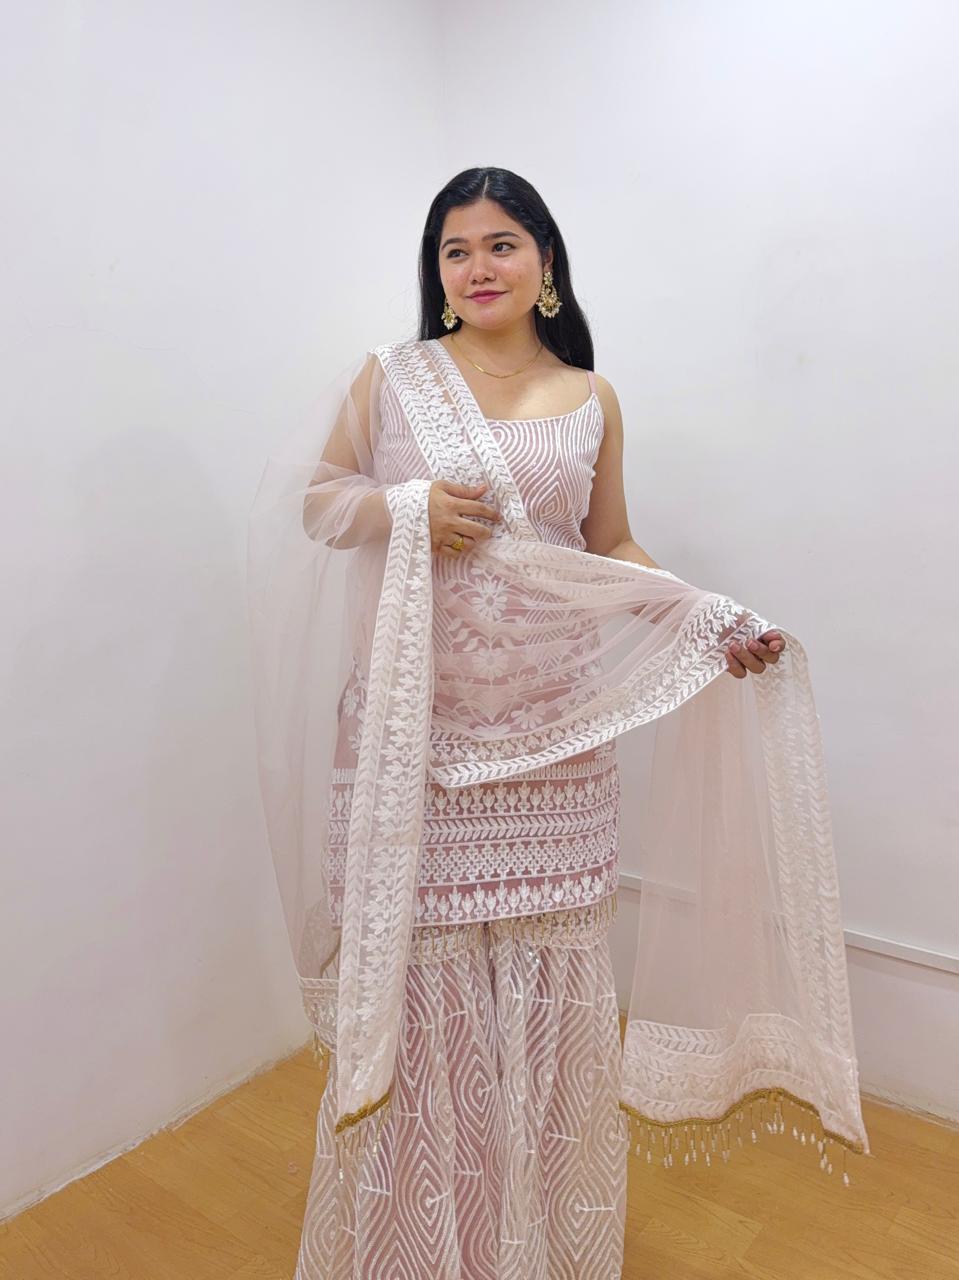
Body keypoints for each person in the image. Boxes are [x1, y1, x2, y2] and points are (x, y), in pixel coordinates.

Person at [246, 167, 869, 1280]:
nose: (476, 266)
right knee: (427, 996)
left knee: (549, 995)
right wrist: (401, 507)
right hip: (417, 739)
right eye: (454, 250)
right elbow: (315, 501)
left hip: (559, 739)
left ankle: (534, 1246)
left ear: (544, 260)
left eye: (500, 243)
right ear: (436, 273)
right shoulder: (393, 379)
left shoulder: (591, 396)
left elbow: (608, 543)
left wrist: (701, 616)